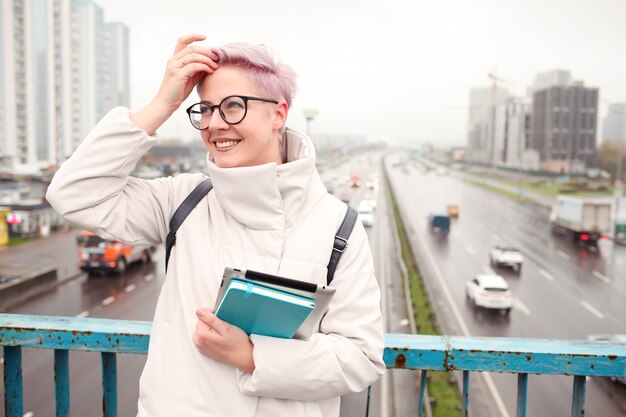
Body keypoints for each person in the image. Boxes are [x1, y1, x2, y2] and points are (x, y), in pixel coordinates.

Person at [47, 34, 385, 417]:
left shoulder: (337, 226)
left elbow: (361, 357)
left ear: (279, 113)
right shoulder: (184, 201)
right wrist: (163, 104)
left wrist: (255, 357)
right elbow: (73, 193)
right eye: (205, 110)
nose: (215, 124)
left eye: (233, 106)